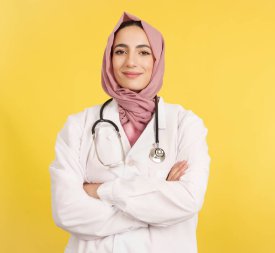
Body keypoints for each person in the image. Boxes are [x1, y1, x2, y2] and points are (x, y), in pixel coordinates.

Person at [49, 11, 211, 253]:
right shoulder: (79, 126)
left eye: (144, 52)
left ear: (157, 60)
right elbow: (66, 211)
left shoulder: (185, 124)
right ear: (109, 59)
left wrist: (102, 191)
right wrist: (157, 202)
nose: (131, 62)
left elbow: (188, 200)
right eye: (120, 51)